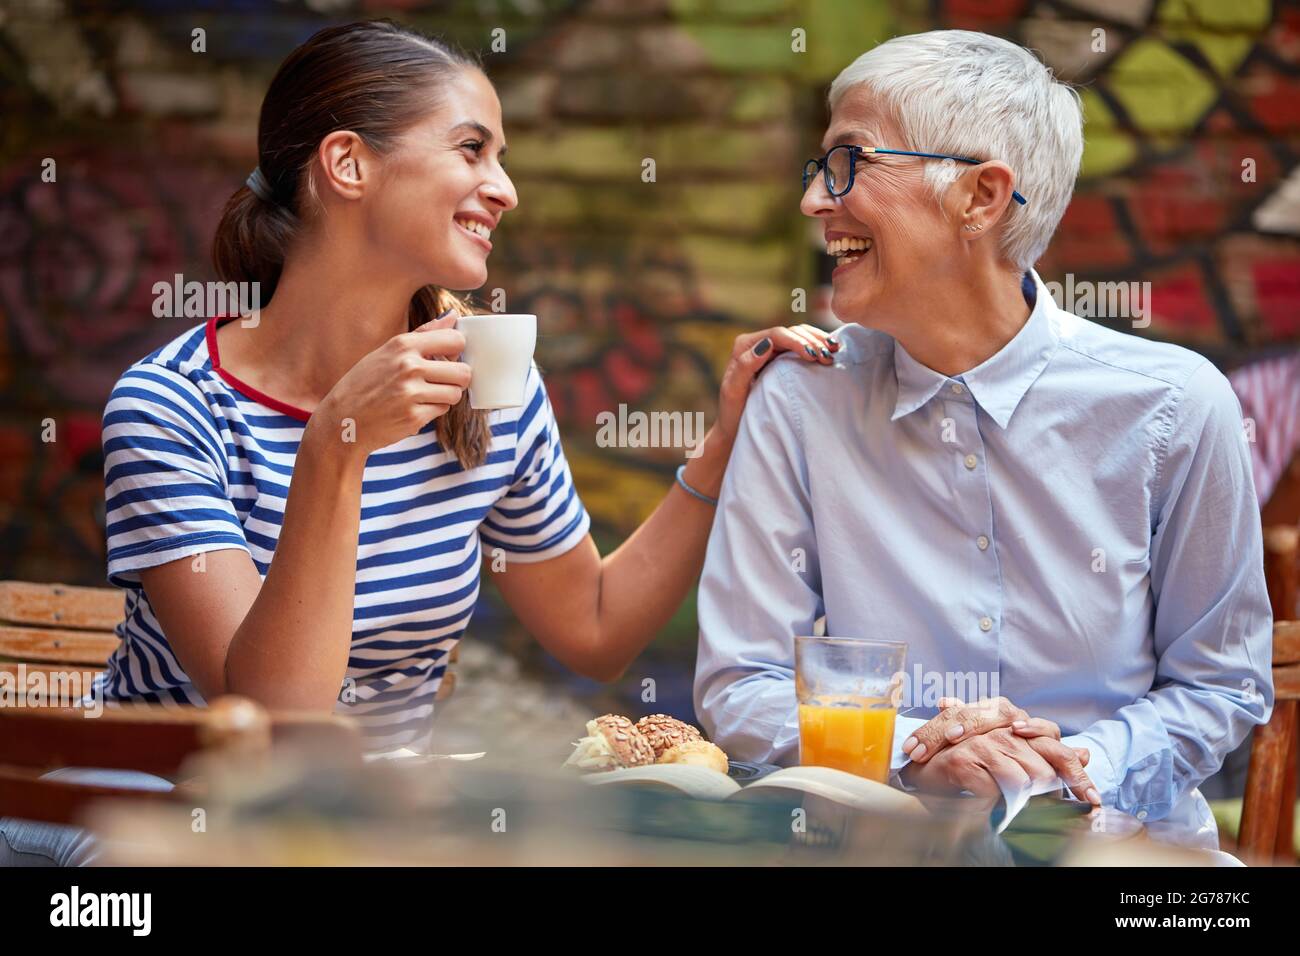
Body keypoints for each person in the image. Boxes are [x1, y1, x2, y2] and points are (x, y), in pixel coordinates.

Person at [0, 18, 834, 865]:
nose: (504, 187)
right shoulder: (172, 408)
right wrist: (338, 446)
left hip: (365, 821)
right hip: (164, 816)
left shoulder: (487, 381)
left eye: (501, 157)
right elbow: (273, 714)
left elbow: (594, 628)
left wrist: (723, 445)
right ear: (348, 165)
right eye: (472, 149)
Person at [693, 29, 1273, 851]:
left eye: (849, 162)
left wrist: (1061, 769)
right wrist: (917, 755)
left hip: (1123, 855)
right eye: (819, 168)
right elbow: (740, 684)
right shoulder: (797, 400)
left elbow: (1218, 685)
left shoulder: (1175, 405)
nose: (815, 201)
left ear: (981, 197)